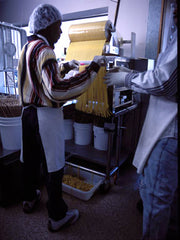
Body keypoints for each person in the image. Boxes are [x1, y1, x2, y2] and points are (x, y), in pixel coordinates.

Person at [18, 3, 105, 232]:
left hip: (27, 114)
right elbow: (55, 90)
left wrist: (64, 67)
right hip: (45, 117)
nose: (60, 32)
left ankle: (29, 198)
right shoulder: (45, 50)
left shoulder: (28, 47)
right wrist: (92, 70)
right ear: (46, 26)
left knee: (30, 160)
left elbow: (39, 78)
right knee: (53, 165)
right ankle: (58, 216)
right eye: (58, 27)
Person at [104, 3, 178, 240]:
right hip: (166, 127)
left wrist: (126, 79)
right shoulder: (173, 37)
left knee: (157, 198)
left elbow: (164, 83)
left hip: (169, 131)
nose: (174, 9)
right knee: (161, 194)